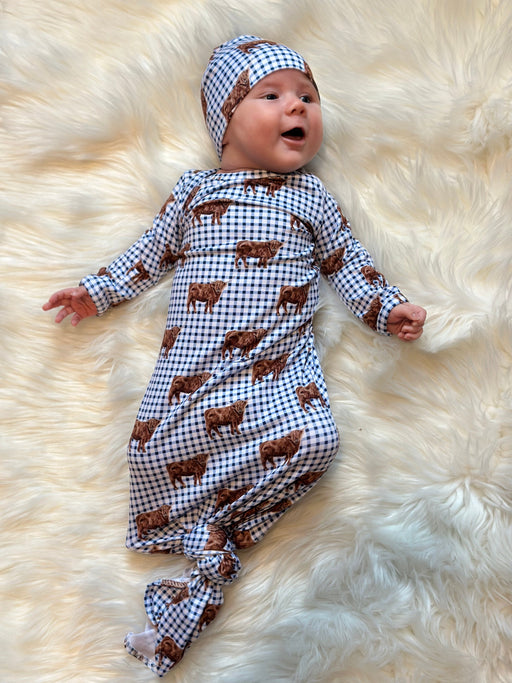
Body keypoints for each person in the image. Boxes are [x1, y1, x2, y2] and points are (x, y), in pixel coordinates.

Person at [43, 35, 426, 677]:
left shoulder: (312, 198)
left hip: (278, 374)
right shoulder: (194, 192)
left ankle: (216, 538)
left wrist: (387, 310)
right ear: (226, 118)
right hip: (195, 375)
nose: (296, 107)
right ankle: (204, 542)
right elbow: (148, 256)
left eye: (308, 97)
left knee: (317, 441)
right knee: (152, 449)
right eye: (270, 95)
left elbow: (349, 266)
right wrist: (95, 292)